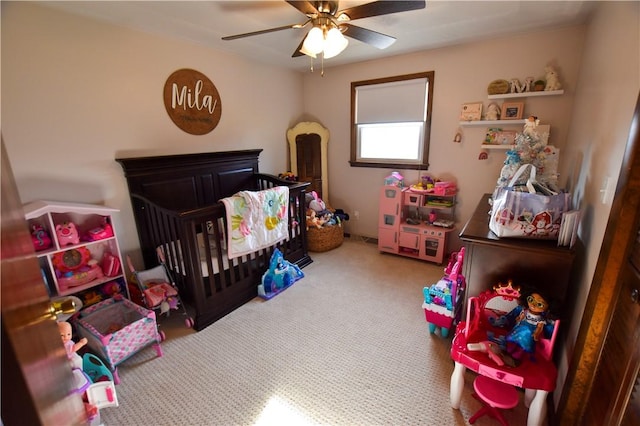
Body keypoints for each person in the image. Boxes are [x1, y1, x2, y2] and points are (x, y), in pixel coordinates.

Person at [504, 291, 554, 364]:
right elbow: (521, 316)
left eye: (539, 304)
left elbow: (540, 327)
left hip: (529, 331)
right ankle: (511, 348)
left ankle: (519, 353)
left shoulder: (540, 318)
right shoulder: (526, 311)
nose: (533, 305)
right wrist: (518, 319)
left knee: (525, 343)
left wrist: (536, 333)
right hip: (520, 327)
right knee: (513, 338)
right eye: (531, 300)